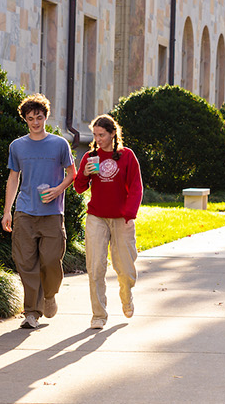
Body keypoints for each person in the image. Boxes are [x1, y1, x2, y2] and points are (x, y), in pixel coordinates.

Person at [3, 94, 76, 329]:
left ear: (46, 117)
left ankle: (50, 294)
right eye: (31, 118)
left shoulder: (59, 144)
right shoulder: (17, 146)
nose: (35, 122)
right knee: (26, 262)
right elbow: (13, 178)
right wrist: (7, 211)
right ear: (25, 119)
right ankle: (31, 313)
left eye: (39, 117)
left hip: (53, 212)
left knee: (51, 261)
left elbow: (72, 173)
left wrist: (58, 190)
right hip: (25, 211)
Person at [73, 114, 143, 329]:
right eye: (95, 135)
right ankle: (99, 315)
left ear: (113, 134)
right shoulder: (90, 157)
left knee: (125, 268)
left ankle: (126, 294)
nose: (98, 139)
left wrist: (130, 215)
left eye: (101, 135)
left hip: (122, 218)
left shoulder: (127, 156)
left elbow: (136, 188)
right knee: (95, 267)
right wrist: (84, 174)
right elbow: (79, 187)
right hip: (97, 217)